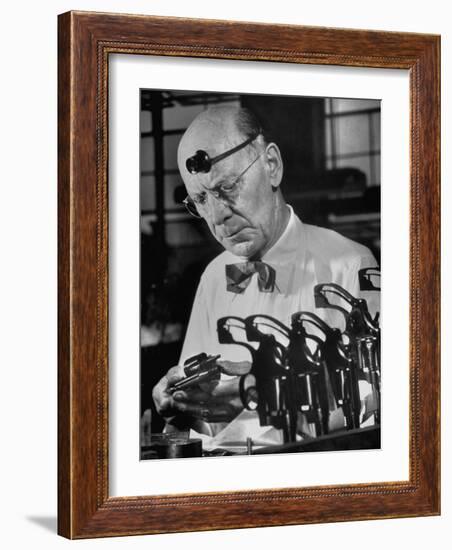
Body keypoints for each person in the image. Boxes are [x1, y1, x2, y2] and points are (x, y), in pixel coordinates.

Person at [151, 105, 379, 444]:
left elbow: (379, 405)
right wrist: (182, 406)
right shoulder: (215, 278)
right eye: (200, 199)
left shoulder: (350, 266)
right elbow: (205, 428)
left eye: (226, 188)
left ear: (271, 166)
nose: (216, 217)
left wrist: (262, 397)